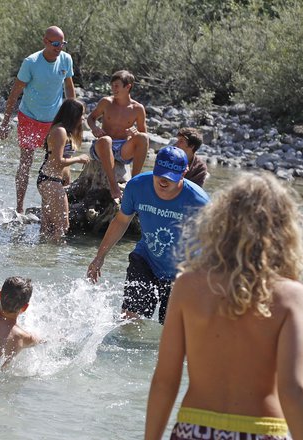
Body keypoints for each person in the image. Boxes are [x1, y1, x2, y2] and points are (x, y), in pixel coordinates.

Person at [145, 172, 303, 439]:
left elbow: (166, 380)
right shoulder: (292, 295)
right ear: (285, 231)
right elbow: (292, 389)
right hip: (262, 431)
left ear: (220, 224)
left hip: (194, 430)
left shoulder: (187, 286)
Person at [86, 146, 209, 324]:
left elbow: (213, 244)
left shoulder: (198, 202)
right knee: (128, 322)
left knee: (171, 330)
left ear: (184, 173)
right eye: (160, 175)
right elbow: (121, 221)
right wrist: (99, 257)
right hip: (146, 260)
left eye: (171, 177)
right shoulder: (137, 186)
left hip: (182, 272)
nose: (164, 182)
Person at [0, 25, 75, 214]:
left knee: (58, 162)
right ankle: (19, 208)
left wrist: (73, 121)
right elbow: (15, 93)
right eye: (55, 44)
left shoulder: (66, 60)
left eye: (62, 44)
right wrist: (5, 122)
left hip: (54, 122)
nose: (59, 48)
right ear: (45, 42)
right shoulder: (31, 62)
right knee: (26, 162)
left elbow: (70, 90)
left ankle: (53, 208)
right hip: (30, 118)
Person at [87, 70, 149, 200]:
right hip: (102, 146)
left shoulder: (138, 108)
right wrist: (94, 128)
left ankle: (133, 183)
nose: (113, 89)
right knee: (106, 140)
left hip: (123, 149)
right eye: (112, 85)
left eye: (117, 86)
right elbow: (91, 118)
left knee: (143, 138)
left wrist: (135, 133)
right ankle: (113, 185)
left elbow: (143, 134)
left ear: (128, 87)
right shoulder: (106, 102)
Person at [36, 98, 90, 240]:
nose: (83, 117)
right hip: (50, 180)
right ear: (73, 114)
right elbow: (58, 161)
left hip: (50, 180)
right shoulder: (60, 131)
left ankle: (40, 257)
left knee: (47, 227)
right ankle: (54, 261)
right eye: (82, 114)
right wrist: (79, 159)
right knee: (62, 227)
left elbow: (59, 159)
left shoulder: (66, 131)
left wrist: (67, 176)